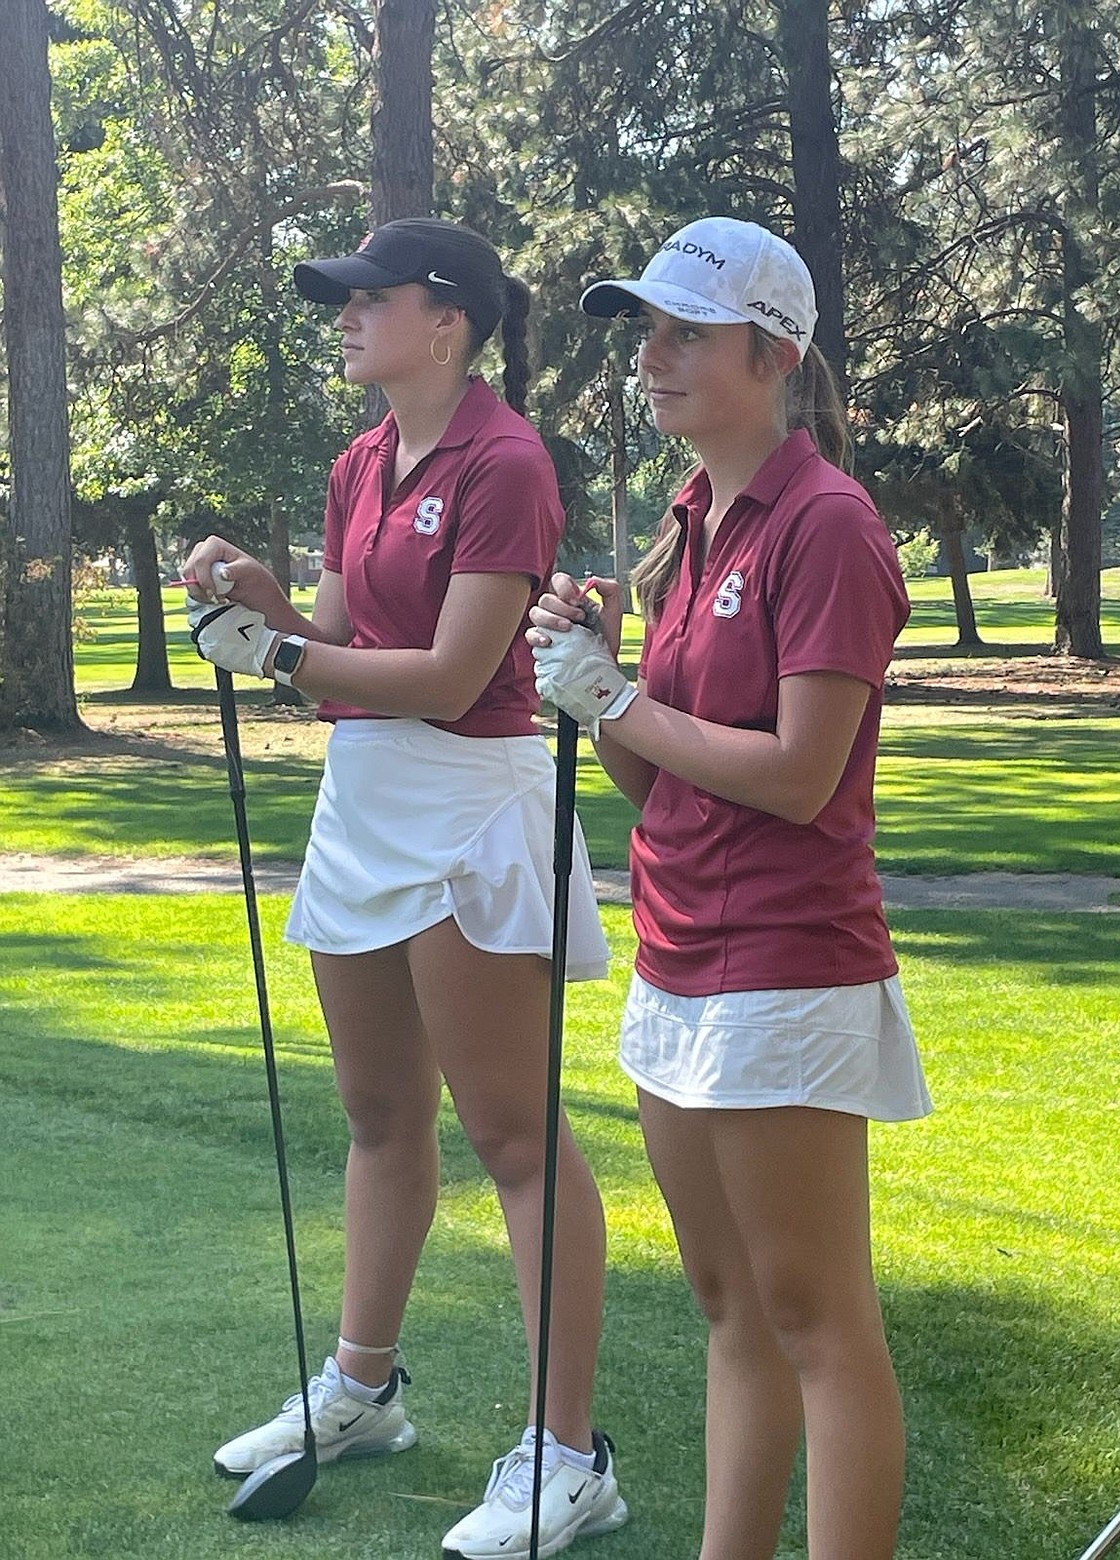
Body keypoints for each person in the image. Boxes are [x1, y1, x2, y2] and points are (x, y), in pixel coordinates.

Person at [183, 218, 628, 1560]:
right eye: (343, 298)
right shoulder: (359, 462)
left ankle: (569, 1459)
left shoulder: (505, 461)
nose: (346, 315)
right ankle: (361, 1392)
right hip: (370, 799)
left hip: (470, 807)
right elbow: (341, 655)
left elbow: (444, 676)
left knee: (512, 1135)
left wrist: (279, 657)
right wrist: (265, 607)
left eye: (369, 298)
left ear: (448, 319)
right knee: (379, 1117)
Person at [527, 216, 932, 1560]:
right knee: (729, 1309)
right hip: (678, 957)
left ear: (771, 354)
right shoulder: (686, 522)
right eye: (643, 332)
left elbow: (801, 777)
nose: (649, 359)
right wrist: (598, 696)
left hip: (788, 966)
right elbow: (663, 789)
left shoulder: (825, 523)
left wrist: (620, 696)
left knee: (817, 1320)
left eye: (682, 333)